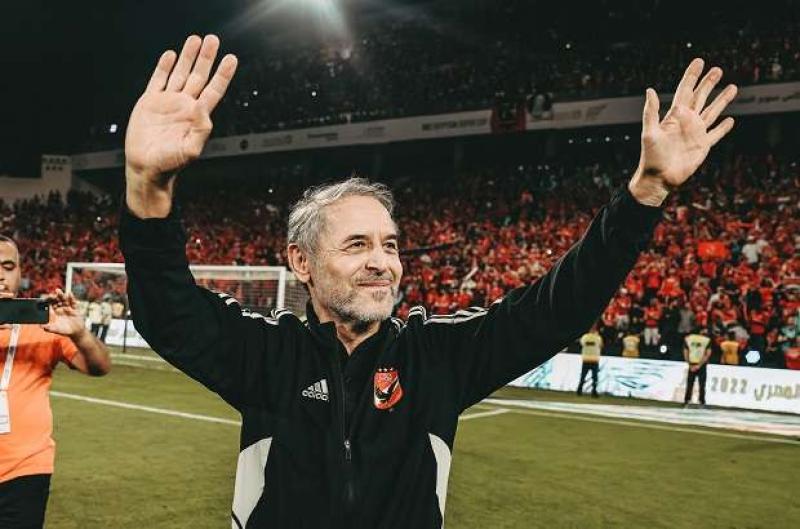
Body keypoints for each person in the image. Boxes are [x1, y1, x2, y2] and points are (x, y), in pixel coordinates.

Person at [119, 34, 736, 528]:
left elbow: (559, 307)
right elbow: (166, 309)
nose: (382, 262)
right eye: (356, 245)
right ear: (300, 263)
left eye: (390, 245)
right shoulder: (266, 355)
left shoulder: (438, 357)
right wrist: (148, 185)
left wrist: (645, 193)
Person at [0, 235, 111, 529]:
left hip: (25, 469)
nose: (1, 275)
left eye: (8, 267)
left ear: (20, 273)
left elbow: (100, 366)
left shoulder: (45, 323)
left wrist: (80, 334)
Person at [683, 330, 712, 407]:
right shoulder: (706, 340)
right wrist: (699, 365)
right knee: (702, 384)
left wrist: (690, 365)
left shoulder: (688, 339)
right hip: (701, 364)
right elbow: (708, 354)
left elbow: (685, 352)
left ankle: (687, 401)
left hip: (692, 362)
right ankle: (702, 401)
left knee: (690, 383)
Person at [577, 328, 602, 397]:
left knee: (583, 375)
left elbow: (581, 344)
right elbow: (600, 345)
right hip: (594, 359)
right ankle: (594, 391)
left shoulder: (584, 337)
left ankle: (579, 389)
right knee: (595, 377)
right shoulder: (598, 338)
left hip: (586, 358)